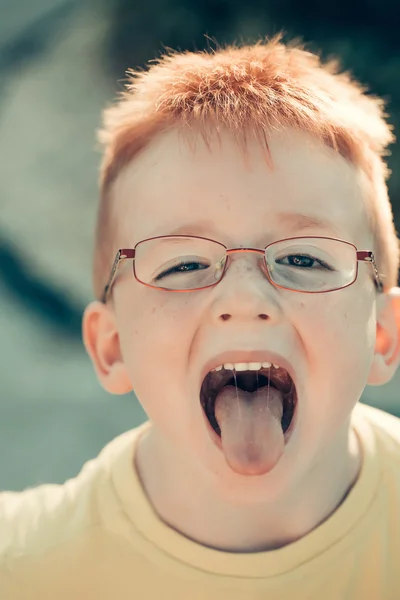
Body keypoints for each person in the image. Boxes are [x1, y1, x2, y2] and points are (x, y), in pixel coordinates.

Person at [1, 35, 400, 600]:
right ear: (111, 348)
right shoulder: (29, 568)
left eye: (304, 258)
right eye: (184, 263)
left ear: (382, 334)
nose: (244, 296)